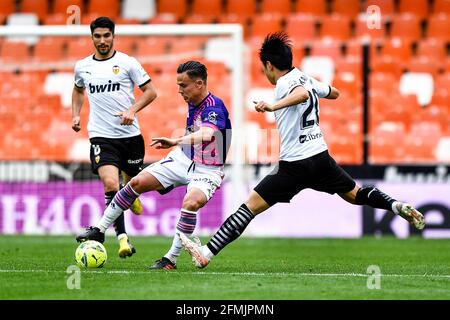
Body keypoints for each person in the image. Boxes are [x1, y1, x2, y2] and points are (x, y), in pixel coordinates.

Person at [179, 32, 426, 269]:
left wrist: (273, 105)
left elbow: (301, 94)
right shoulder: (305, 77)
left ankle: (206, 253)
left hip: (294, 165)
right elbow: (335, 92)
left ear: (268, 65)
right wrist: (315, 90)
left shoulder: (287, 83)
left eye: (264, 68)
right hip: (320, 158)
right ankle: (396, 206)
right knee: (355, 195)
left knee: (249, 207)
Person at [76, 60, 232, 270]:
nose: (179, 90)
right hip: (183, 159)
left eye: (183, 85)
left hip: (208, 169)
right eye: (178, 85)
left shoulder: (214, 107)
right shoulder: (194, 99)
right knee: (136, 182)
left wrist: (175, 140)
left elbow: (207, 133)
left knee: (191, 202)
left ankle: (170, 259)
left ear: (200, 84)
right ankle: (100, 229)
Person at [72, 17, 157, 258]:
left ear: (113, 36)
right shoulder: (82, 66)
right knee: (111, 184)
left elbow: (151, 91)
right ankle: (123, 240)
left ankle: (132, 196)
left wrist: (132, 110)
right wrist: (76, 115)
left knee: (131, 186)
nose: (102, 40)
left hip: (130, 137)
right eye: (97, 36)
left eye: (106, 35)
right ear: (92, 38)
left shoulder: (127, 63)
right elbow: (78, 89)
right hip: (101, 136)